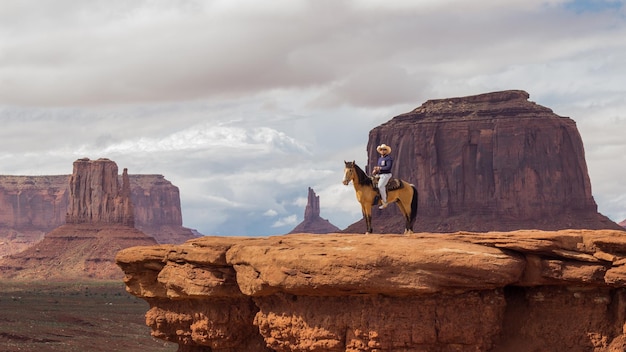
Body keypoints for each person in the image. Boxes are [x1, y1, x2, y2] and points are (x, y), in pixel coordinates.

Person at [373, 143, 393, 209]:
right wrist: (375, 171)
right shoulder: (380, 159)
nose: (382, 151)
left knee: (380, 186)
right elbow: (379, 167)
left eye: (384, 149)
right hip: (380, 174)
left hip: (386, 174)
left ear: (386, 151)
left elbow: (388, 167)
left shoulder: (388, 158)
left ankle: (385, 202)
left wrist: (380, 168)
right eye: (381, 149)